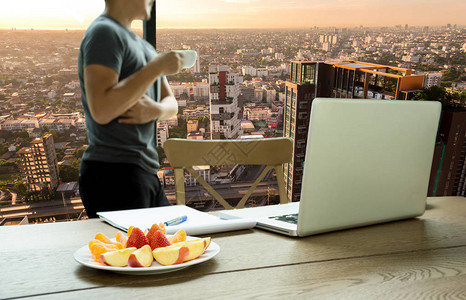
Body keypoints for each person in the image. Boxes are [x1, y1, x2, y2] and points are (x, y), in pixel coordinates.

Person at [77, 0, 184, 218]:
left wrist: (154, 110)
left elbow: (171, 104)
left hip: (143, 170)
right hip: (113, 172)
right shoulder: (104, 32)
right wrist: (156, 67)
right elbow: (102, 109)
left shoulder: (143, 46)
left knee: (161, 247)